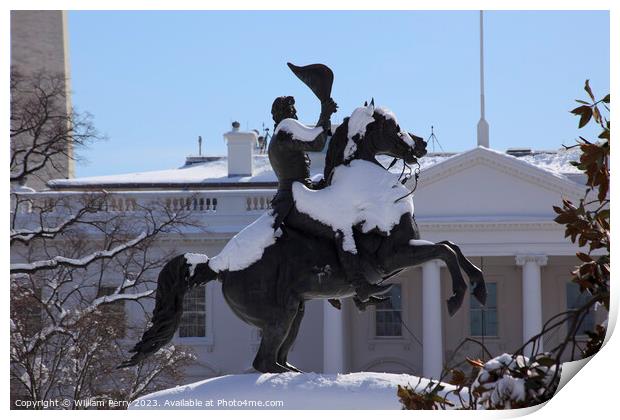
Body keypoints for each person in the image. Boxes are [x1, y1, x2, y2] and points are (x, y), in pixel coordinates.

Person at [268, 96, 388, 303]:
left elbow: (315, 139)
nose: (295, 114)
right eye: (292, 110)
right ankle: (360, 288)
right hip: (295, 201)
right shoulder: (284, 131)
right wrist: (325, 112)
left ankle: (349, 284)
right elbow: (317, 142)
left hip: (302, 193)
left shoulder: (283, 133)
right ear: (283, 114)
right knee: (340, 228)